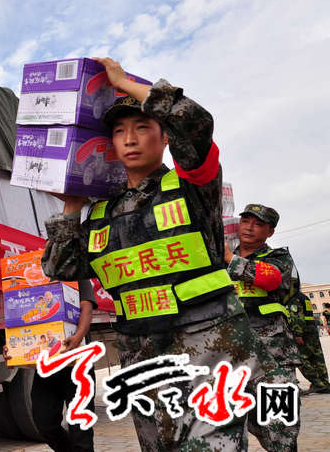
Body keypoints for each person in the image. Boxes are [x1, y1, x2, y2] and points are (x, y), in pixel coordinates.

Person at [41, 58, 277, 451]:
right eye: (119, 132)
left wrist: (124, 82)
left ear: (164, 136)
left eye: (142, 127)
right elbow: (59, 266)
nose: (130, 139)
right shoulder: (101, 212)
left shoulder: (191, 185)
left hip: (208, 341)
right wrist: (71, 205)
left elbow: (196, 122)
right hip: (141, 352)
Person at [225, 204, 300, 449]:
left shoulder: (277, 257)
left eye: (258, 224)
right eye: (246, 221)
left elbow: (271, 278)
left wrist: (230, 259)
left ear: (270, 232)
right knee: (227, 431)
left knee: (279, 429)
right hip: (227, 355)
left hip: (272, 356)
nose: (249, 228)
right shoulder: (218, 257)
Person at [3, 280, 98, 452]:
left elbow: (87, 308)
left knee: (80, 432)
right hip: (48, 368)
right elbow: (24, 321)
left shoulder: (77, 274)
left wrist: (77, 337)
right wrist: (14, 349)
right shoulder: (32, 281)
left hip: (78, 365)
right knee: (44, 423)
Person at [287, 291, 330, 394]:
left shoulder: (293, 298)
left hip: (304, 331)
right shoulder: (304, 296)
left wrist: (297, 333)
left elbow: (297, 316)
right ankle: (324, 383)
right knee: (317, 357)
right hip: (311, 329)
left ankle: (318, 383)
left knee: (299, 358)